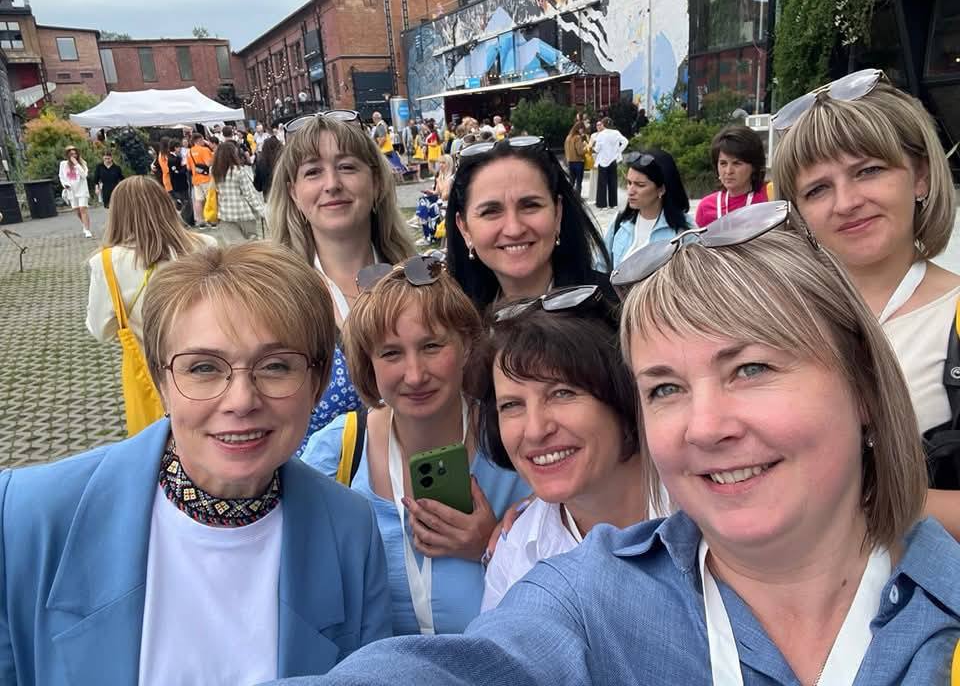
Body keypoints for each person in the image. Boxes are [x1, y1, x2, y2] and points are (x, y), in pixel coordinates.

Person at [271, 213, 960, 686]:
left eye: (750, 369)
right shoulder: (589, 596)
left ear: (864, 385)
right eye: (666, 388)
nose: (705, 426)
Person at [4, 242, 393, 686]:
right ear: (162, 381)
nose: (241, 401)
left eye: (275, 366)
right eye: (204, 368)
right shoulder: (26, 518)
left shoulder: (350, 532)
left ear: (317, 382)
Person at [301, 257, 529, 635]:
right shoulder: (339, 451)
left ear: (467, 346)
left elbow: (565, 588)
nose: (415, 374)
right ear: (368, 361)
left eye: (431, 346)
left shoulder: (511, 442)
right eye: (391, 353)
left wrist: (491, 547)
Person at [771, 70, 960, 526]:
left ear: (920, 176)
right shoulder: (771, 319)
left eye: (868, 171)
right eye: (818, 189)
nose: (847, 202)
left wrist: (862, 499)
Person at [470, 293, 656, 611]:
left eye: (562, 393)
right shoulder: (516, 554)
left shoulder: (708, 514)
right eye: (511, 405)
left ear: (624, 396)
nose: (535, 430)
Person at [268, 113, 416, 444]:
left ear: (376, 181)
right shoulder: (273, 299)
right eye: (313, 172)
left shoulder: (420, 280)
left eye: (347, 167)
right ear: (294, 193)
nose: (332, 184)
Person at [444, 135, 613, 311]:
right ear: (464, 228)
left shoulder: (617, 314)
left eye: (530, 206)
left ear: (558, 213)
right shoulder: (453, 321)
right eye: (491, 211)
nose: (514, 229)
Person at [86, 175, 216, 345]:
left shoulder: (106, 262)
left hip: (150, 356)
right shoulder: (205, 244)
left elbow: (101, 331)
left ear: (116, 214)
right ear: (166, 205)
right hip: (208, 350)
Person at [603, 151, 692, 269]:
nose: (630, 191)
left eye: (640, 185)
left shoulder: (685, 231)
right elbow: (601, 266)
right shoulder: (619, 222)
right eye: (629, 183)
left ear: (661, 189)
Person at [695, 124, 770, 226]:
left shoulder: (769, 198)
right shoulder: (706, 207)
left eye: (736, 163)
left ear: (754, 166)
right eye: (723, 163)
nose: (728, 171)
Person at [211, 140, 265, 243]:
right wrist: (260, 210)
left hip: (225, 213)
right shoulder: (239, 171)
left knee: (234, 247)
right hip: (243, 213)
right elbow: (249, 194)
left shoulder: (214, 172)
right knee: (251, 244)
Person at [592, 117, 628, 209]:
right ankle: (613, 203)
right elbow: (625, 141)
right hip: (613, 160)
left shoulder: (601, 134)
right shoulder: (616, 133)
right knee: (613, 182)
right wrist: (618, 151)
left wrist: (593, 147)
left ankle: (602, 204)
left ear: (603, 124)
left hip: (603, 161)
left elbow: (597, 149)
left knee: (602, 183)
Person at [59, 145, 92, 238]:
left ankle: (87, 230)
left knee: (83, 209)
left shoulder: (82, 163)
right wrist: (65, 184)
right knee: (77, 210)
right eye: (71, 154)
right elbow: (61, 176)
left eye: (75, 154)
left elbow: (84, 175)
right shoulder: (63, 164)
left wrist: (77, 164)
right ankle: (85, 224)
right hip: (71, 190)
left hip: (82, 189)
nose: (73, 156)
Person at [187, 133, 216, 229]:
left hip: (196, 179)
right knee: (210, 198)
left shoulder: (189, 152)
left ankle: (200, 221)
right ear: (199, 140)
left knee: (198, 200)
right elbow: (208, 163)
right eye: (203, 139)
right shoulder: (205, 150)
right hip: (206, 178)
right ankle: (212, 220)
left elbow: (188, 167)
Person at [563, 122, 586, 195]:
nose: (583, 131)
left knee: (571, 182)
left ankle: (569, 197)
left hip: (570, 161)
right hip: (578, 161)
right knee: (579, 182)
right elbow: (580, 152)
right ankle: (578, 198)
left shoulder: (568, 137)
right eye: (582, 129)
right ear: (579, 129)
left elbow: (566, 150)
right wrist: (585, 147)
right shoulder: (578, 137)